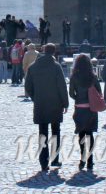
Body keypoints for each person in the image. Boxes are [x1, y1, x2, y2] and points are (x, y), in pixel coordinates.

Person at [25, 43, 69, 172]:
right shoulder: (56, 67)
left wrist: (35, 97)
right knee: (56, 132)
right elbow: (62, 86)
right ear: (54, 52)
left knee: (42, 133)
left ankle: (43, 162)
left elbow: (28, 87)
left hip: (40, 104)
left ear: (43, 51)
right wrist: (65, 103)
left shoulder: (33, 67)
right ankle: (55, 159)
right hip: (55, 104)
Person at [68, 53, 102, 171]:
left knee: (81, 134)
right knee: (90, 134)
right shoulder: (92, 76)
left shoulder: (74, 76)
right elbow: (99, 91)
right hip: (91, 108)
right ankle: (90, 161)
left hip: (79, 107)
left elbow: (71, 93)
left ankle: (82, 159)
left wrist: (78, 98)